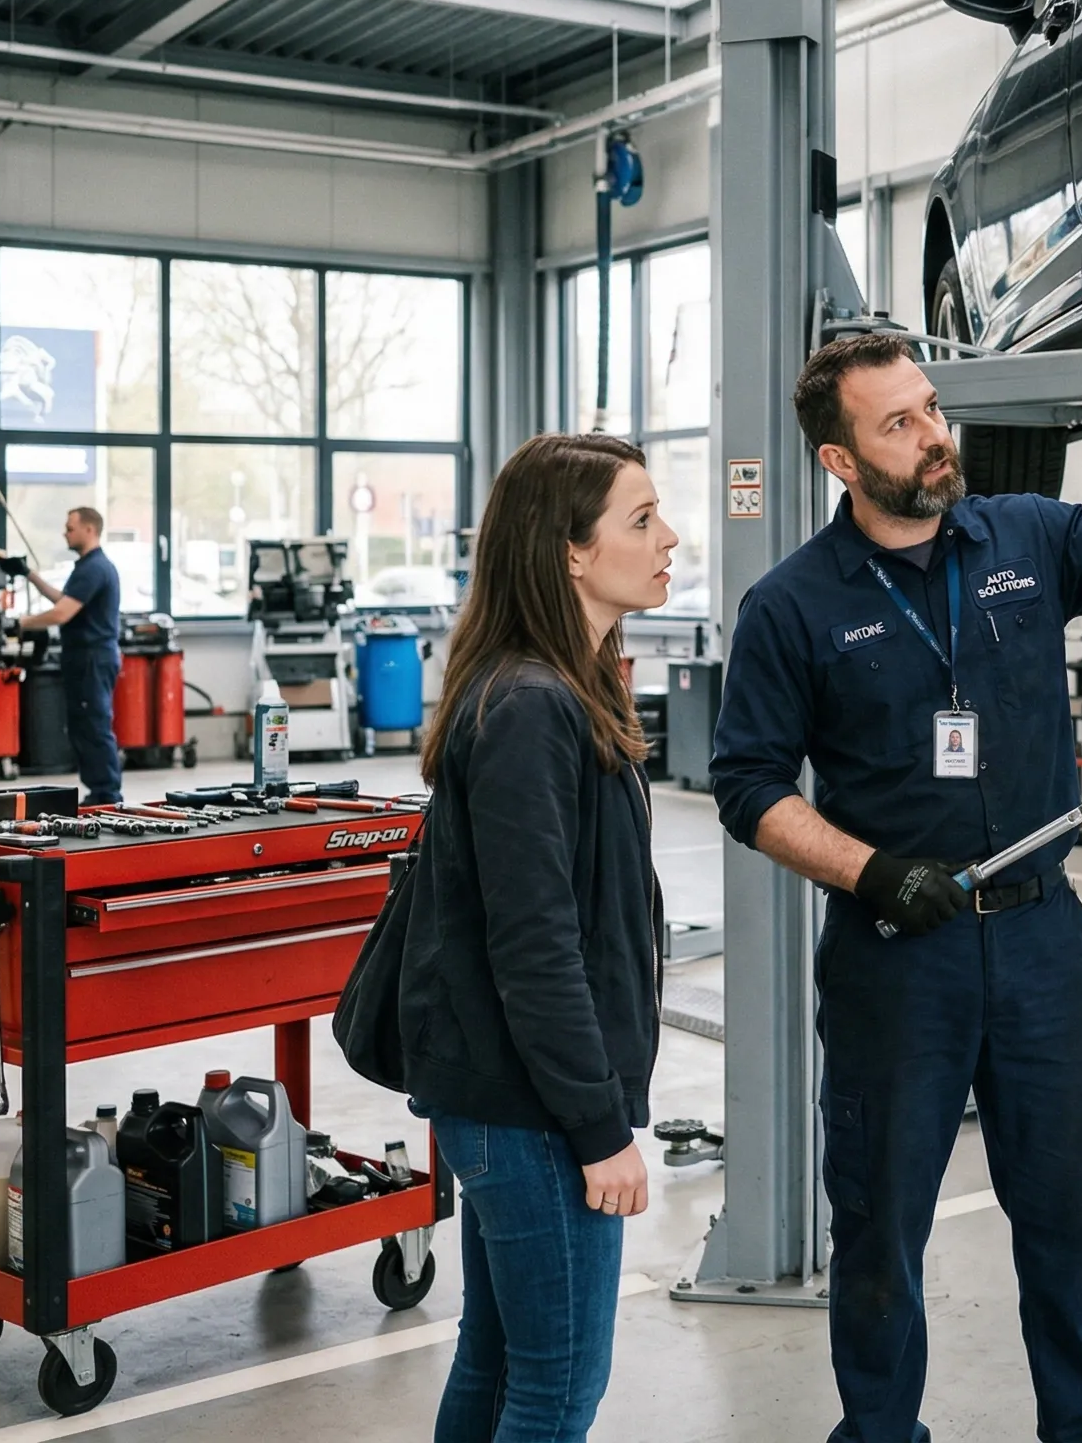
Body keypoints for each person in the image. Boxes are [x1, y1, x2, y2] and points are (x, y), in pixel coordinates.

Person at [710, 318, 1082, 1443]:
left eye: (932, 407)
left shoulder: (1024, 536)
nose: (934, 436)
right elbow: (746, 784)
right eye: (899, 423)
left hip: (1039, 945)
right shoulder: (790, 607)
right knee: (881, 1230)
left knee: (1068, 1220)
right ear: (840, 461)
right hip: (895, 961)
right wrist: (872, 873)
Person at [399, 432, 674, 1443]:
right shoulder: (530, 706)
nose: (668, 537)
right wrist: (598, 1127)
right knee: (557, 1387)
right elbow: (536, 946)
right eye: (640, 519)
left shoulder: (556, 686)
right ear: (567, 550)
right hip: (533, 1108)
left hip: (511, 1095)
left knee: (501, 1353)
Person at [5, 506, 122, 806]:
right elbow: (63, 599)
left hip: (93, 658)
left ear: (89, 530)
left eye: (70, 528)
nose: (65, 532)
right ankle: (98, 792)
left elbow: (62, 613)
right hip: (83, 658)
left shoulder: (96, 568)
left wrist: (21, 623)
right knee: (83, 725)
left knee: (94, 725)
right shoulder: (85, 567)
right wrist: (28, 574)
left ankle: (107, 794)